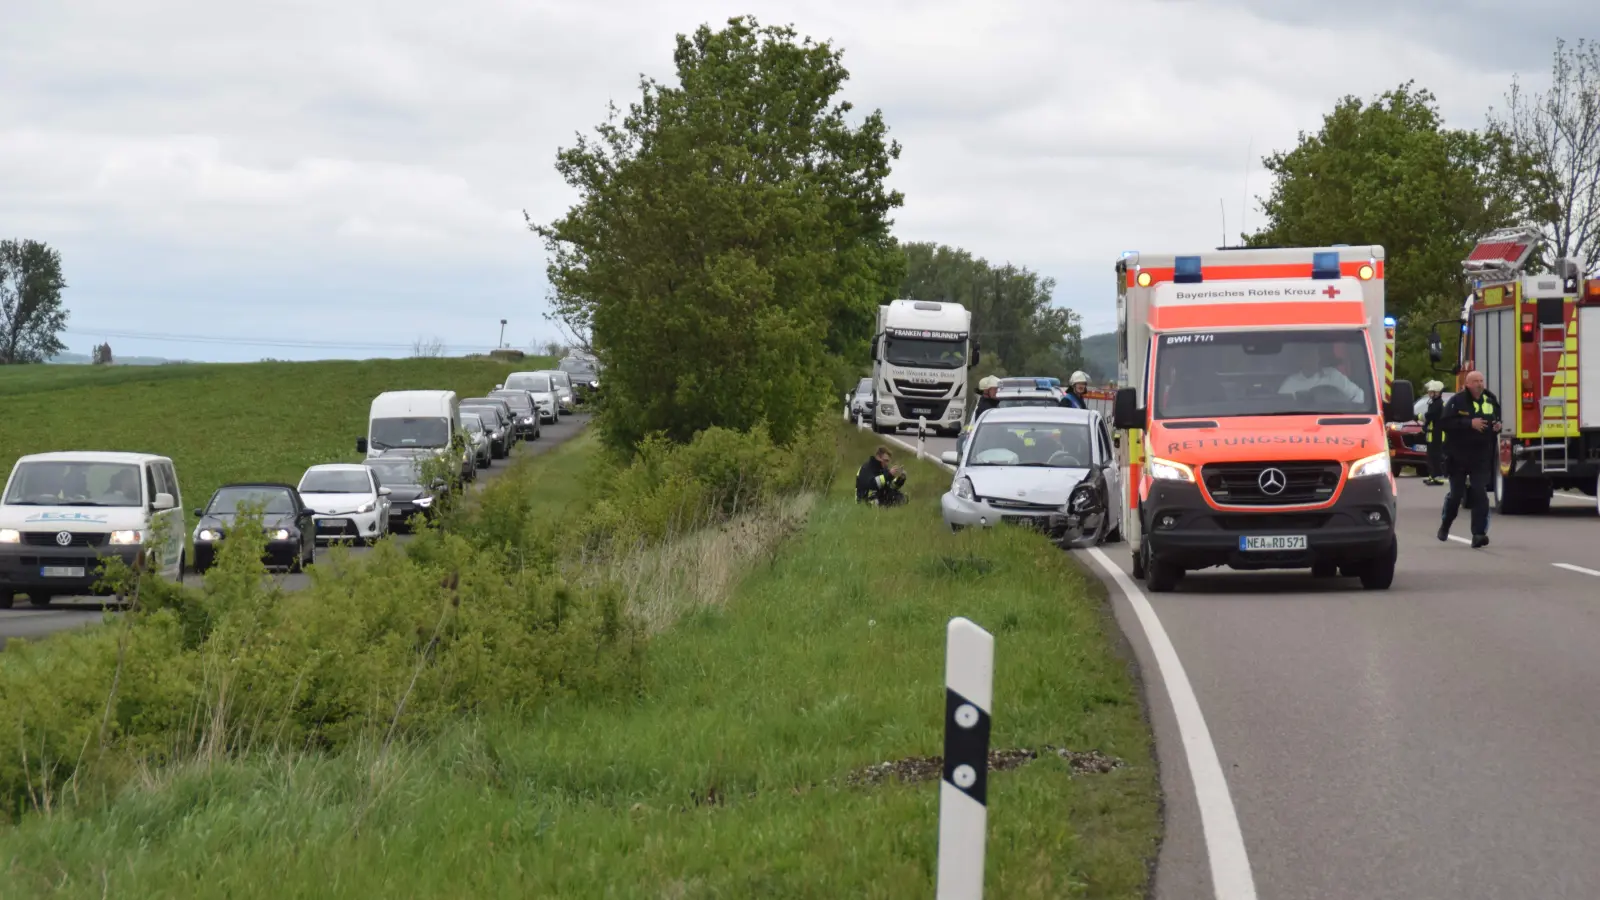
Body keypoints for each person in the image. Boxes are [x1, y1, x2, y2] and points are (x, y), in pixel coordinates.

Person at [1437, 370, 1501, 548]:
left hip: (1480, 456)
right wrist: (1469, 423)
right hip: (1457, 456)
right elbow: (1444, 424)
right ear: (1467, 384)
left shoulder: (1490, 399)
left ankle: (1479, 534)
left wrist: (1497, 426)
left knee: (1479, 493)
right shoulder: (1457, 401)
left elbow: (1496, 419)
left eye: (1482, 381)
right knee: (1457, 495)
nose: (1480, 384)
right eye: (1476, 381)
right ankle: (1445, 525)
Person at [1277, 346, 1364, 404]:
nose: (1313, 359)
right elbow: (1280, 406)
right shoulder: (1290, 384)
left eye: (1315, 355)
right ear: (1300, 360)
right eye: (1309, 356)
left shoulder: (1333, 375)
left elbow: (1358, 395)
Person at [1421, 380, 1447, 486]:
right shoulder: (1434, 403)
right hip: (1433, 434)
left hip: (1438, 435)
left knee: (1436, 456)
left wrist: (1417, 417)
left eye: (1431, 392)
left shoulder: (1438, 404)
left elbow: (1430, 415)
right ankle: (1433, 476)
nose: (1429, 394)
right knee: (1431, 456)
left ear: (1437, 392)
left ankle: (1438, 477)